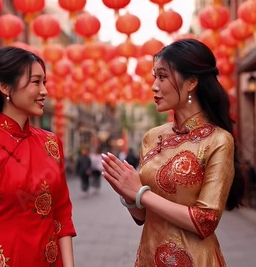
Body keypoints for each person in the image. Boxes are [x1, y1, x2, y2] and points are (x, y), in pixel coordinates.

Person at [101, 39, 245, 266]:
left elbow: (205, 221)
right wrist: (128, 194)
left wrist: (140, 193)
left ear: (192, 82)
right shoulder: (152, 137)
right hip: (149, 257)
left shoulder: (218, 140)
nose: (154, 86)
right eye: (154, 77)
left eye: (163, 76)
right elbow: (144, 217)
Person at [0, 47, 76, 267]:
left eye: (45, 83)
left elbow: (62, 215)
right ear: (4, 86)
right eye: (36, 82)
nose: (44, 91)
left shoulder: (51, 144)